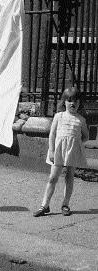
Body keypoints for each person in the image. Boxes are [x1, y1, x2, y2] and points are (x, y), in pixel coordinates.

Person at [33, 86, 89, 217]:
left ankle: (65, 204)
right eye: (69, 100)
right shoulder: (59, 116)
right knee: (52, 178)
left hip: (72, 152)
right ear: (64, 102)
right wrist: (51, 150)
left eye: (75, 100)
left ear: (79, 103)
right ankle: (44, 205)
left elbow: (86, 136)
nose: (72, 103)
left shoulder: (81, 120)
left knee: (69, 177)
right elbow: (52, 134)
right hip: (58, 151)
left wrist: (77, 143)